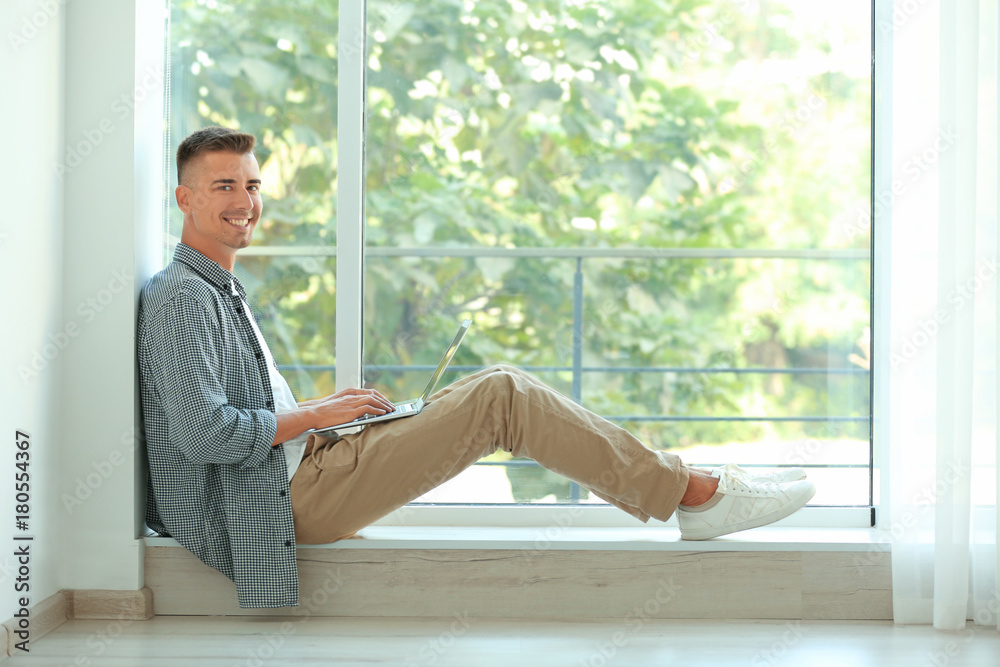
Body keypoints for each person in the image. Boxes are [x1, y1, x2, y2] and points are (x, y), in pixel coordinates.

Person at [138, 126, 816, 609]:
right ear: (185, 199)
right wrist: (318, 414)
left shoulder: (216, 287)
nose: (246, 201)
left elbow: (235, 416)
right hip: (283, 500)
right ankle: (695, 493)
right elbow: (205, 437)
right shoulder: (181, 298)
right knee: (503, 395)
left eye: (252, 184)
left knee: (490, 390)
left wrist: (328, 415)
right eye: (224, 184)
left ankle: (690, 484)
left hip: (310, 466)